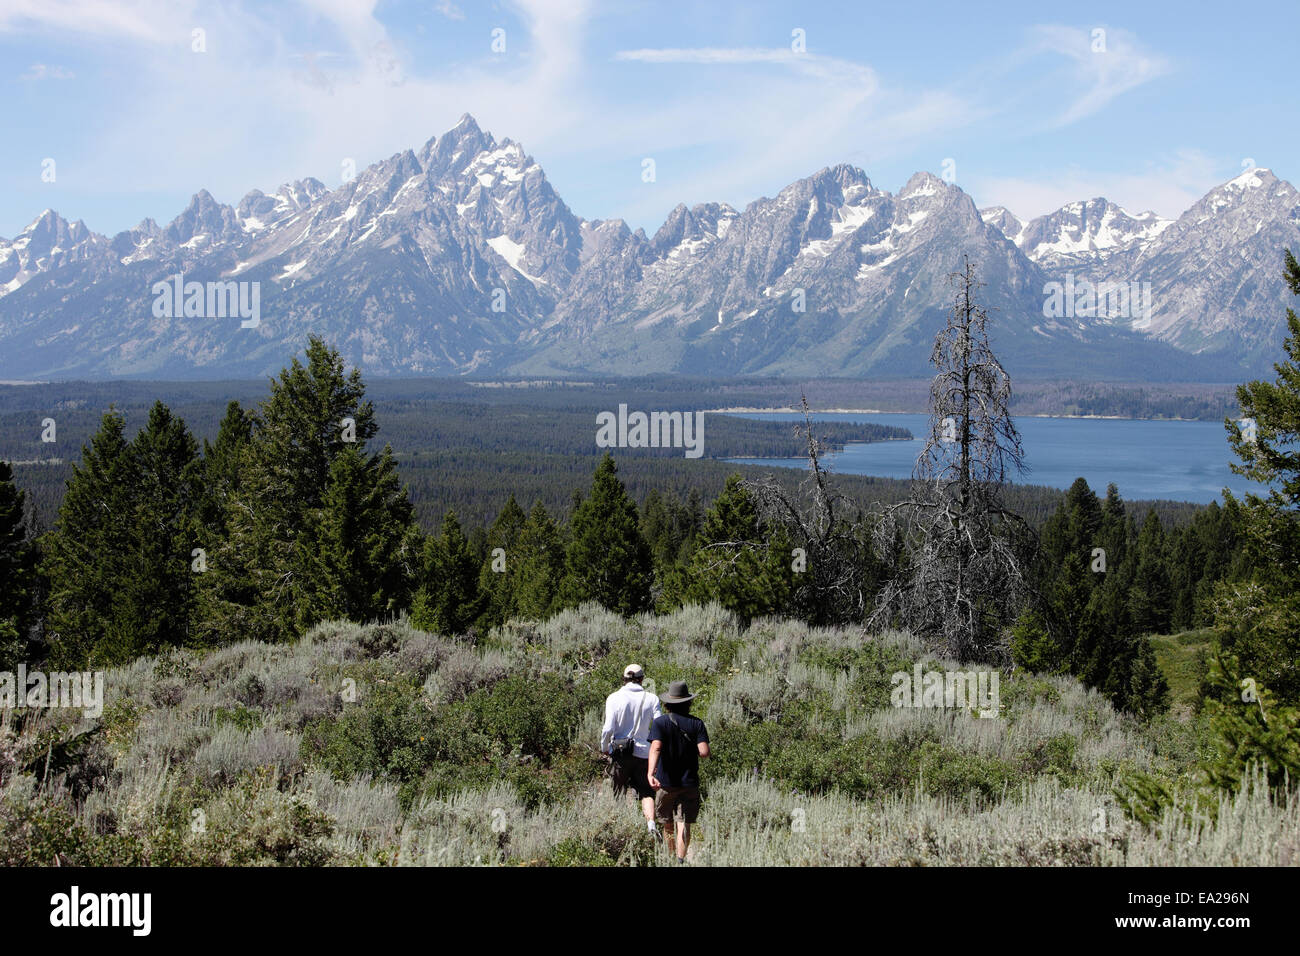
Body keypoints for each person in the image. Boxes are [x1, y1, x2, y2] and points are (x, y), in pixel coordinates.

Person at [647, 680, 710, 864]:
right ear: (688, 702)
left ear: (668, 703)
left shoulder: (660, 723)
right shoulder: (697, 723)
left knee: (667, 823)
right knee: (684, 824)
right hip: (689, 782)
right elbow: (704, 752)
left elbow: (656, 748)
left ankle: (670, 856)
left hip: (665, 782)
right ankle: (681, 860)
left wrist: (650, 773)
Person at [600, 664, 662, 838]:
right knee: (646, 793)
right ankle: (651, 824)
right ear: (642, 679)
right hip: (644, 753)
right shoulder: (652, 699)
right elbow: (659, 726)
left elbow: (608, 728)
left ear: (624, 679)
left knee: (618, 791)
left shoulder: (613, 698)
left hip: (621, 752)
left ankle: (621, 827)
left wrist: (605, 747)